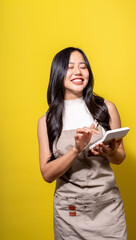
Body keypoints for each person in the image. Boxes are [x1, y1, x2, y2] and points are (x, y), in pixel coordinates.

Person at [37, 47, 127, 240]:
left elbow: (120, 158)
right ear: (58, 73)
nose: (78, 72)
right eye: (70, 67)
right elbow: (47, 174)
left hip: (108, 208)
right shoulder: (47, 120)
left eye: (83, 67)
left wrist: (110, 152)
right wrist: (76, 149)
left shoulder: (106, 108)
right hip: (69, 212)